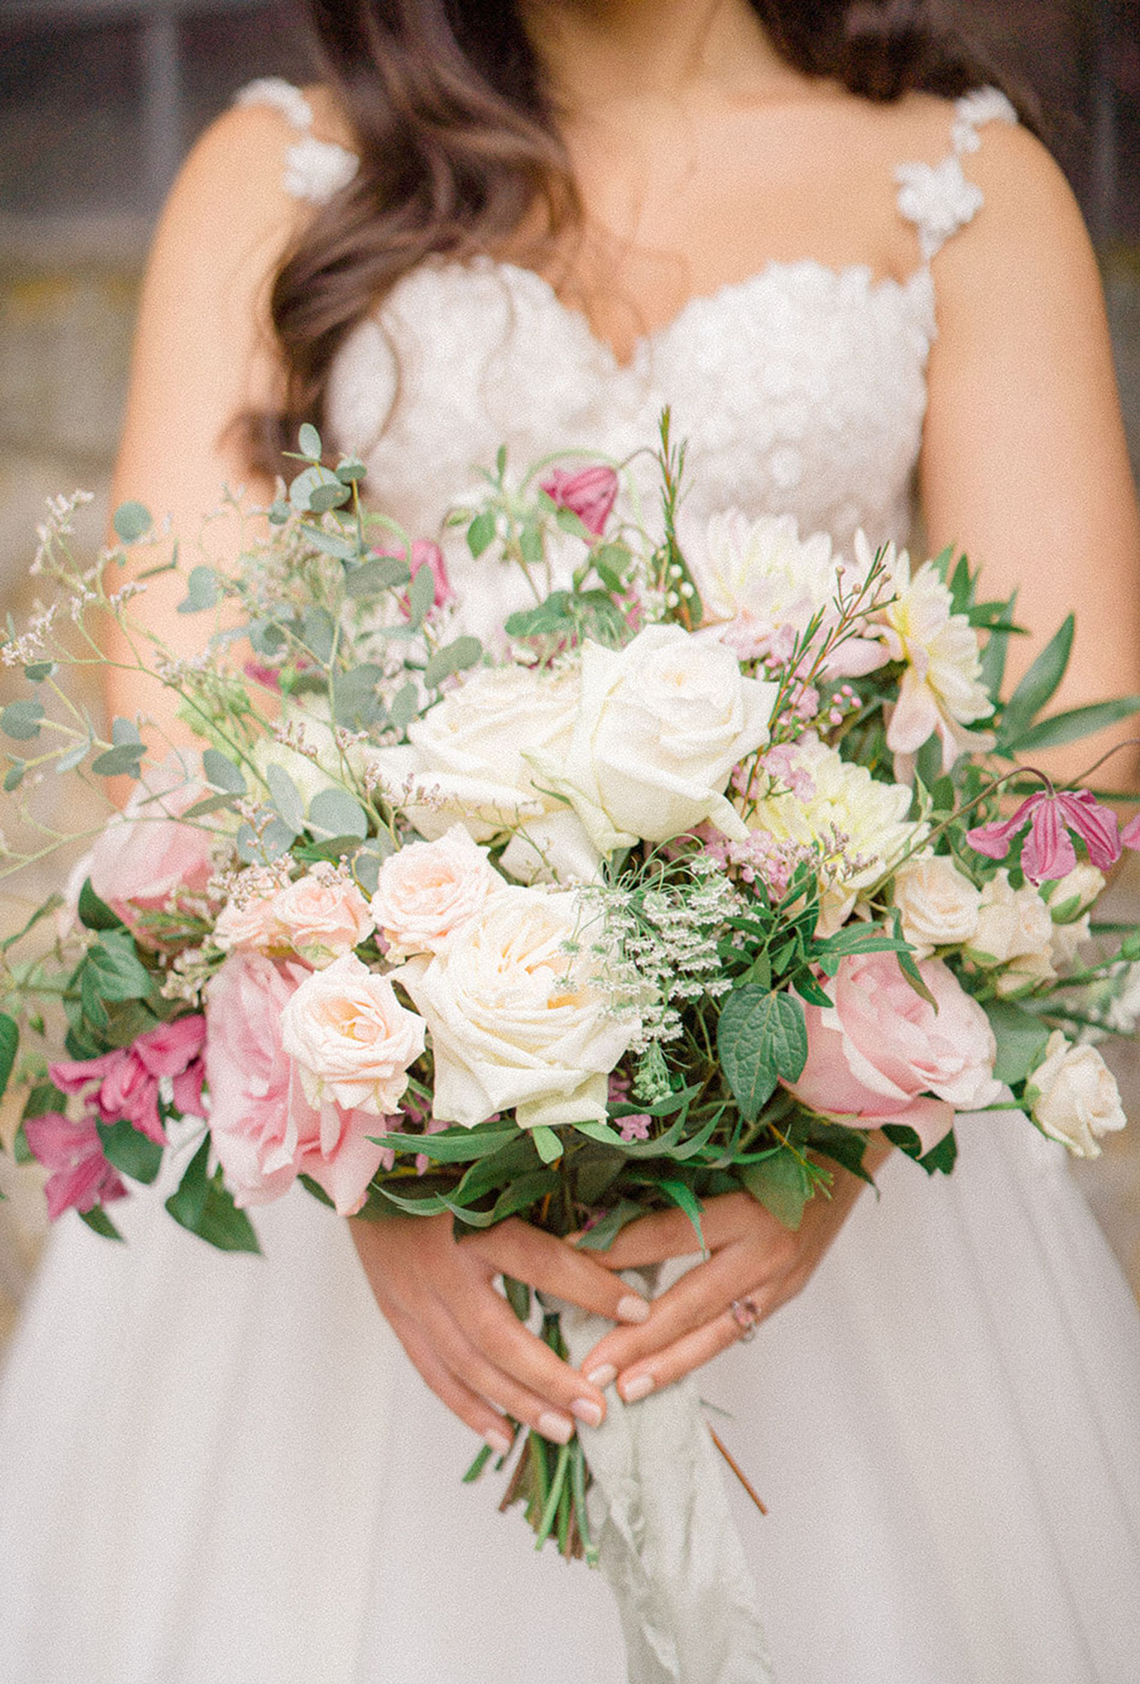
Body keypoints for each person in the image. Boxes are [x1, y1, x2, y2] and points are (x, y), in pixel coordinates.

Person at [3, 2, 1140, 1679]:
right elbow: (182, 720)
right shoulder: (283, 172)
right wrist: (367, 1146)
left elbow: (1079, 753)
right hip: (355, 1214)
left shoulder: (962, 180)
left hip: (826, 1179)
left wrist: (831, 1142)